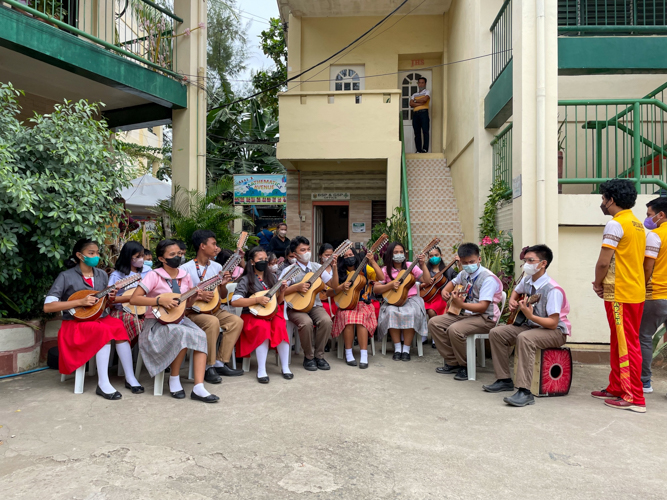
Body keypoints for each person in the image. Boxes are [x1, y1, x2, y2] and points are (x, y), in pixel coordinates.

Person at [43, 238, 143, 399]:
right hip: (75, 323)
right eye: (91, 253)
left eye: (97, 252)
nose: (96, 256)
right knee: (102, 330)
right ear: (79, 255)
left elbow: (103, 304)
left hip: (98, 317)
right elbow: (48, 307)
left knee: (118, 326)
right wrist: (79, 302)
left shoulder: (102, 275)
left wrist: (109, 298)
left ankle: (130, 377)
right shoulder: (66, 276)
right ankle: (103, 383)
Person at [130, 239, 219, 403]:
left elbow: (185, 305)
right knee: (182, 333)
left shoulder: (185, 276)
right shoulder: (153, 275)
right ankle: (174, 378)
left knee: (200, 334)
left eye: (179, 254)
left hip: (179, 320)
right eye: (172, 255)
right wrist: (159, 301)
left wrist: (193, 298)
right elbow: (135, 299)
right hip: (155, 324)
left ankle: (198, 387)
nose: (177, 257)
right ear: (162, 259)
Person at [483, 245, 571, 407]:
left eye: (531, 260)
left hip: (555, 332)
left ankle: (525, 391)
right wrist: (512, 300)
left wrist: (530, 316)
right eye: (525, 261)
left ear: (543, 263)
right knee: (497, 333)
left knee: (525, 338)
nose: (526, 264)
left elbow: (552, 323)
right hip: (531, 326)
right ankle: (504, 379)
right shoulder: (528, 279)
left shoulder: (553, 290)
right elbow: (517, 291)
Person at [591, 179, 647, 412]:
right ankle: (617, 386)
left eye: (603, 198)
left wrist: (597, 283)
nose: (602, 203)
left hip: (621, 293)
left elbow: (604, 262)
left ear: (611, 200)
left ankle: (634, 397)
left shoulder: (615, 224)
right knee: (620, 341)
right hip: (634, 291)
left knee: (627, 345)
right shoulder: (637, 223)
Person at [428, 243, 502, 381]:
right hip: (465, 314)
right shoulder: (464, 273)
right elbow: (452, 283)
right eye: (465, 262)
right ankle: (452, 361)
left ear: (479, 259)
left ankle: (466, 366)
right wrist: (445, 291)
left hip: (485, 317)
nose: (469, 265)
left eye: (472, 262)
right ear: (460, 261)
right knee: (434, 323)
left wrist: (461, 304)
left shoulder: (488, 279)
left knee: (455, 330)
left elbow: (482, 307)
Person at [180, 230, 244, 383]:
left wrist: (223, 285)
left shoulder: (216, 267)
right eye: (213, 244)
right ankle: (208, 366)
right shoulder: (186, 268)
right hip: (194, 311)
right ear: (202, 246)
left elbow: (221, 296)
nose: (217, 247)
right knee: (212, 322)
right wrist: (199, 295)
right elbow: (181, 295)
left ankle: (220, 362)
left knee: (236, 321)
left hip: (215, 309)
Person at [230, 246, 293, 383]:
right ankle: (261, 370)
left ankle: (285, 367)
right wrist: (256, 300)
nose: (264, 262)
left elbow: (278, 301)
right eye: (260, 259)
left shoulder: (273, 277)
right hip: (252, 315)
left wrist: (282, 291)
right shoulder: (246, 279)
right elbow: (234, 301)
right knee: (262, 328)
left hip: (270, 313)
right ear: (252, 262)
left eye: (266, 259)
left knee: (280, 326)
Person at [280, 236, 335, 371]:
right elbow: (278, 292)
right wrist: (296, 288)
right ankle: (309, 357)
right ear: (295, 253)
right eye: (303, 250)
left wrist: (334, 267)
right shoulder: (289, 270)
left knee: (326, 321)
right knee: (306, 323)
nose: (307, 252)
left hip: (315, 305)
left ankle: (319, 356)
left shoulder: (317, 267)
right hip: (296, 307)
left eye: (308, 249)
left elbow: (333, 285)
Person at [374, 242, 431, 361]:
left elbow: (427, 280)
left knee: (411, 313)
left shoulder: (410, 266)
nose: (399, 254)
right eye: (396, 252)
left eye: (401, 252)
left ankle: (406, 349)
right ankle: (397, 348)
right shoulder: (385, 270)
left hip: (411, 299)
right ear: (390, 254)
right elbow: (376, 289)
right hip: (392, 301)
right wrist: (390, 285)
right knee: (390, 312)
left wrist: (423, 264)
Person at [331, 247, 384, 368]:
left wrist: (373, 261)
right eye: (345, 256)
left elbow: (381, 278)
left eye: (351, 255)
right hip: (346, 304)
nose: (348, 258)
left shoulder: (365, 268)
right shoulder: (340, 271)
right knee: (348, 320)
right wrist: (334, 268)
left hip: (363, 303)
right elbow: (334, 287)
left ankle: (363, 355)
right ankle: (348, 353)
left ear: (355, 255)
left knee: (361, 320)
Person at [640, 196, 667, 394]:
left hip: (656, 294)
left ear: (661, 215)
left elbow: (647, 267)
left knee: (644, 337)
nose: (647, 219)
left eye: (650, 214)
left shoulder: (655, 235)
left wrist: (639, 286)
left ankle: (644, 382)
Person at [108, 241, 150, 344]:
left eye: (142, 255)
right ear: (128, 257)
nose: (141, 258)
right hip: (123, 311)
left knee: (154, 323)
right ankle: (129, 351)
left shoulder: (148, 271)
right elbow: (111, 300)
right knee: (136, 324)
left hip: (146, 309)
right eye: (137, 256)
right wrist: (131, 298)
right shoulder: (117, 275)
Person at [424, 247, 458, 348]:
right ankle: (435, 335)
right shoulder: (426, 270)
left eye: (436, 255)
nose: (434, 257)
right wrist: (425, 282)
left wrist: (458, 264)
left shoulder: (448, 270)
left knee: (433, 310)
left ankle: (436, 337)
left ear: (441, 256)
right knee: (429, 309)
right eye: (431, 256)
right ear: (428, 257)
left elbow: (457, 280)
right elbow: (419, 281)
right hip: (428, 296)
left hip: (441, 297)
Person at [410, 76, 430, 153]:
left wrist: (415, 101)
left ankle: (425, 149)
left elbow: (425, 100)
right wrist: (419, 103)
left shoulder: (427, 92)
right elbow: (410, 104)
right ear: (418, 84)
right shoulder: (414, 94)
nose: (421, 84)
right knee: (417, 133)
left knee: (425, 131)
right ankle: (418, 149)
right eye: (420, 83)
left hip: (424, 113)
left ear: (425, 84)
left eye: (422, 83)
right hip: (415, 114)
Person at [318, 244, 338, 319]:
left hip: (334, 297)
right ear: (320, 255)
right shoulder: (317, 267)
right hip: (322, 299)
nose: (329, 257)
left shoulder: (335, 267)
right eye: (326, 255)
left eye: (331, 255)